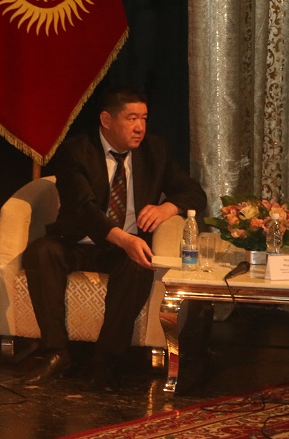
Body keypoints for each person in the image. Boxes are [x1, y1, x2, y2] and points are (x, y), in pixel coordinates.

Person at [22, 86, 207, 391]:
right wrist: (125, 240)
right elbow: (84, 210)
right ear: (107, 120)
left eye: (144, 118)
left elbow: (194, 193)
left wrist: (167, 208)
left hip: (124, 247)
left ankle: (107, 359)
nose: (140, 127)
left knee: (138, 265)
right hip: (77, 241)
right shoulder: (75, 151)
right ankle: (55, 352)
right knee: (41, 252)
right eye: (132, 118)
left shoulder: (155, 150)